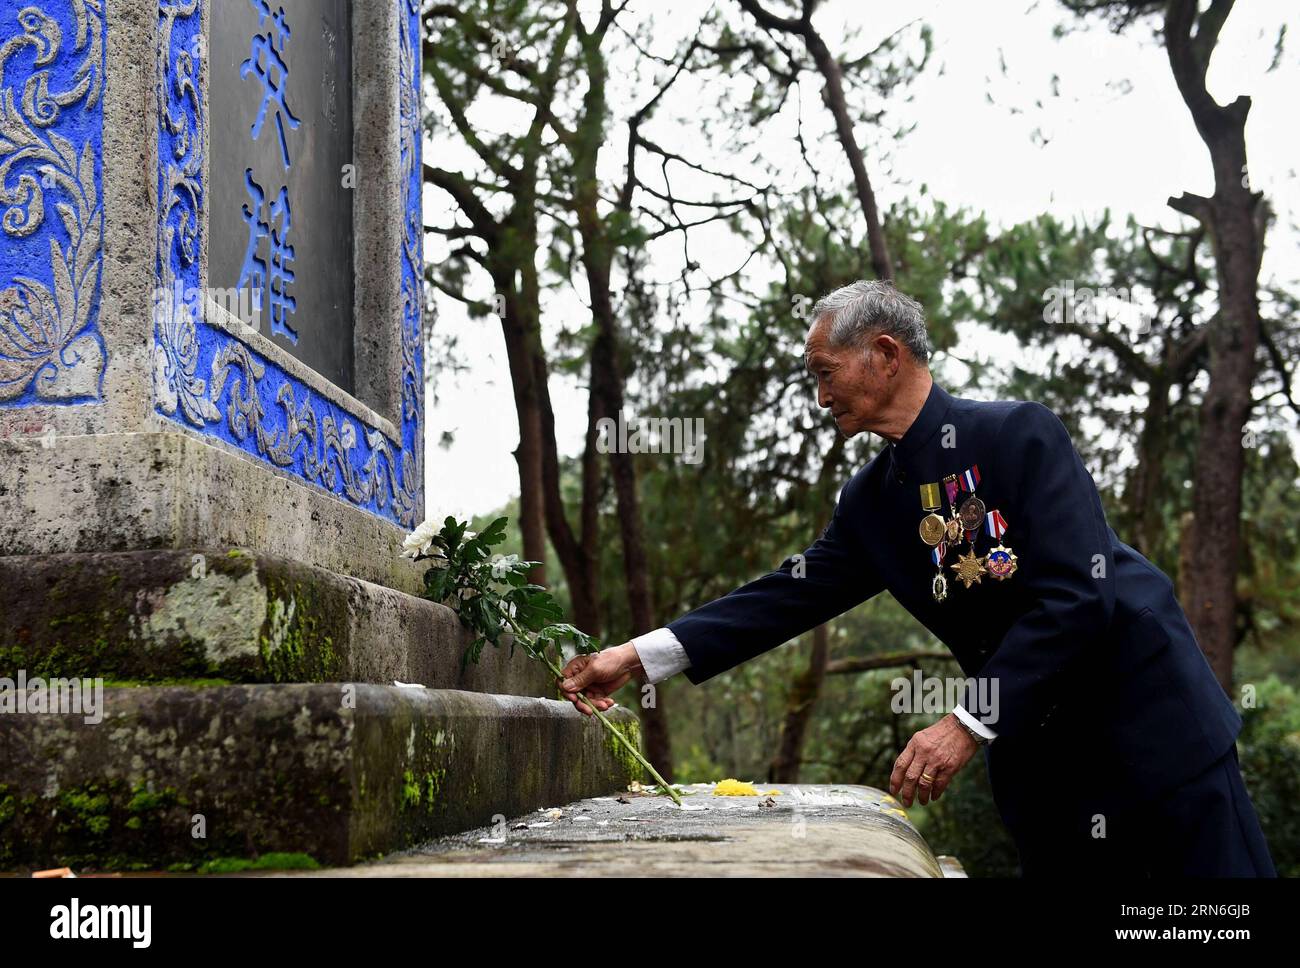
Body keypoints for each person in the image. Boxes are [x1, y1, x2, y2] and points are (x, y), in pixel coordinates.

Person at [558, 280, 1275, 877]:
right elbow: (787, 594)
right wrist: (638, 656)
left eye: (823, 372)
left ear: (884, 354)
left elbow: (1078, 596)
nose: (819, 397)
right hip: (1046, 779)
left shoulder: (1020, 436)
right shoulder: (871, 503)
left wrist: (965, 723)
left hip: (1155, 745)